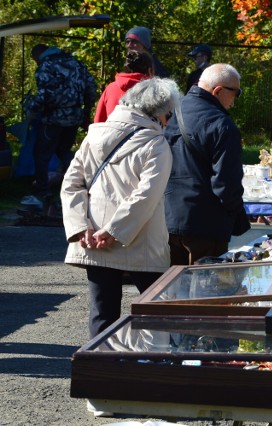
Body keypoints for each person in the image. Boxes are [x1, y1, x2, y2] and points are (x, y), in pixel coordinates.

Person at [60, 77, 181, 339]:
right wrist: (114, 231)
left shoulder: (94, 135)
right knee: (156, 311)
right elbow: (146, 196)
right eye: (169, 113)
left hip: (92, 238)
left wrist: (82, 228)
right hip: (141, 241)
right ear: (160, 111)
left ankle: (101, 372)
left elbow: (71, 184)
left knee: (102, 315)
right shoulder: (156, 144)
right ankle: (154, 369)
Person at [164, 63, 250, 265]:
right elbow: (226, 184)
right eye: (236, 93)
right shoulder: (222, 125)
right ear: (218, 90)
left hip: (166, 219)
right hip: (206, 226)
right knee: (205, 292)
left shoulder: (170, 112)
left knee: (171, 291)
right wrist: (237, 216)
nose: (235, 101)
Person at [27, 43, 97, 196]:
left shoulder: (47, 65)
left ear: (38, 55)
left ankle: (43, 190)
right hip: (74, 116)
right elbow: (91, 88)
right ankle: (78, 186)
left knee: (41, 154)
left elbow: (44, 93)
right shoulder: (76, 63)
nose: (36, 63)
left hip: (53, 118)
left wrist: (32, 109)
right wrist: (86, 110)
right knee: (64, 151)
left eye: (35, 59)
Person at [93, 50, 154, 123]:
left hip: (113, 132)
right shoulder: (154, 92)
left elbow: (98, 122)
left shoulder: (111, 88)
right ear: (150, 70)